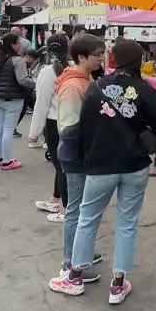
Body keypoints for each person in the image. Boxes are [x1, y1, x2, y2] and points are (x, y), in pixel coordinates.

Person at [50, 39, 156, 302]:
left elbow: (84, 129)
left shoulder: (97, 88)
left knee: (87, 218)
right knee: (127, 224)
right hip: (135, 166)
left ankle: (74, 276)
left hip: (101, 166)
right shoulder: (146, 90)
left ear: (114, 59)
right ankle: (118, 283)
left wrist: (86, 158)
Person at [53, 34, 107, 279]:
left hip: (83, 154)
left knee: (85, 209)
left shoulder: (85, 80)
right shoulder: (75, 85)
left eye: (101, 53)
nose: (101, 59)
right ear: (81, 57)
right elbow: (69, 128)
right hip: (77, 156)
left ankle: (81, 252)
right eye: (96, 55)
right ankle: (70, 262)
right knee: (76, 210)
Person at [30, 34, 70, 220]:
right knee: (61, 164)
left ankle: (67, 209)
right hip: (69, 121)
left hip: (54, 123)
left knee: (61, 166)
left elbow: (42, 103)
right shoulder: (70, 67)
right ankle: (55, 200)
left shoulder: (48, 71)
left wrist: (34, 132)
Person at [0, 32, 34, 170]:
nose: (20, 45)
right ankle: (7, 161)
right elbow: (23, 80)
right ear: (12, 44)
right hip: (13, 98)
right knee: (8, 129)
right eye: (18, 42)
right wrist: (36, 83)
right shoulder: (17, 60)